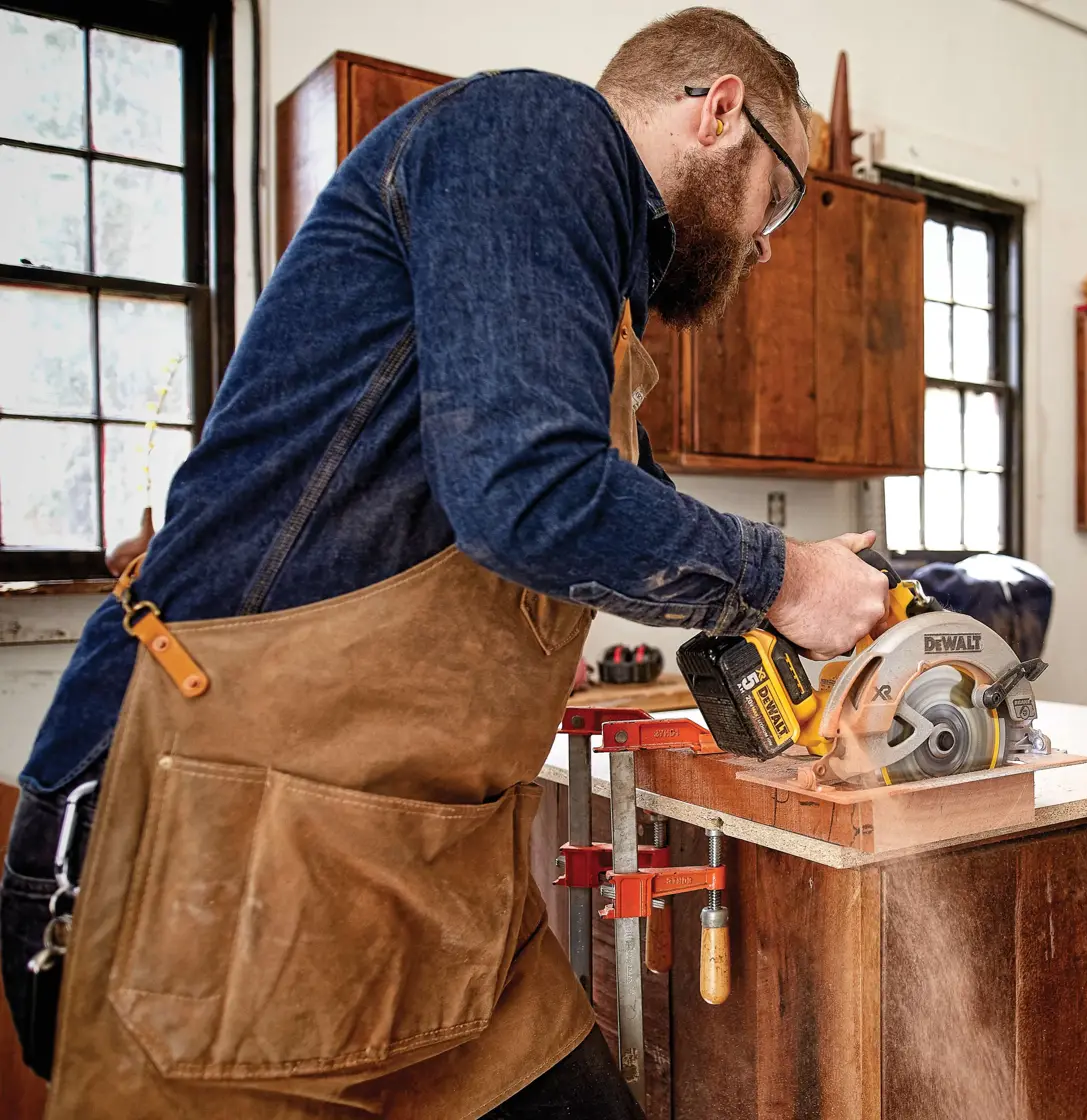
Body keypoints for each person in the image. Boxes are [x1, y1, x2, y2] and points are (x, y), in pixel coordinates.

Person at [0, 9, 890, 1118]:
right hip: (226, 833)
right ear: (718, 111)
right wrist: (785, 577)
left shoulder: (586, 292)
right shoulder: (534, 131)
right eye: (785, 193)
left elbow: (615, 513)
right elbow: (530, 495)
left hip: (411, 858)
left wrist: (798, 579)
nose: (770, 239)